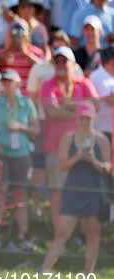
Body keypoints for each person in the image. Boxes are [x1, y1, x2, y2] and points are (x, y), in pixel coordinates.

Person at [40, 101, 111, 275]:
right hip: (73, 190)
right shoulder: (68, 138)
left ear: (93, 118)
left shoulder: (101, 140)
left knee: (93, 234)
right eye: (82, 118)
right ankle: (44, 271)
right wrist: (77, 157)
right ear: (77, 118)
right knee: (62, 231)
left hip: (94, 191)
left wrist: (95, 161)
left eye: (88, 118)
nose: (85, 122)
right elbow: (62, 165)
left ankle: (88, 275)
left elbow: (108, 167)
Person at [40, 46, 99, 232]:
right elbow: (52, 111)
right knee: (57, 189)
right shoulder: (47, 85)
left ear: (73, 64)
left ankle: (80, 234)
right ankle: (60, 232)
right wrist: (82, 110)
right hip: (56, 145)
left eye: (64, 61)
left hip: (83, 145)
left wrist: (66, 105)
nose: (60, 65)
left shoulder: (84, 83)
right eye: (56, 61)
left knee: (82, 188)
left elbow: (96, 105)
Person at [0, 69, 40, 251]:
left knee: (21, 194)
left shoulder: (26, 103)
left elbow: (36, 130)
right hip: (1, 155)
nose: (7, 85)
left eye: (10, 81)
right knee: (0, 192)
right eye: (4, 82)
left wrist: (20, 127)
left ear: (18, 83)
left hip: (21, 154)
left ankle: (23, 234)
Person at [0, 19, 44, 97]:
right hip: (7, 99)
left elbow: (43, 68)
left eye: (22, 31)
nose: (18, 34)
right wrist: (8, 51)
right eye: (15, 31)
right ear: (10, 34)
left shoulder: (37, 52)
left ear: (28, 34)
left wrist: (26, 54)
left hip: (29, 99)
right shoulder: (1, 52)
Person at [89, 46, 114, 142]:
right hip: (102, 131)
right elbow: (110, 100)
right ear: (112, 61)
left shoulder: (111, 76)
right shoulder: (96, 76)